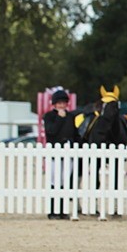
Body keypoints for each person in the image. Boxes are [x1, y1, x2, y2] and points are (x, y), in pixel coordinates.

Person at [43, 89, 79, 219]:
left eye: (64, 103)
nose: (62, 105)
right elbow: (51, 131)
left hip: (68, 152)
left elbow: (75, 134)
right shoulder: (49, 116)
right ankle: (53, 210)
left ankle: (63, 210)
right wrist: (59, 117)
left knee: (65, 182)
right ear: (54, 104)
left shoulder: (71, 117)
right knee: (54, 181)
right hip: (54, 153)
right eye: (59, 103)